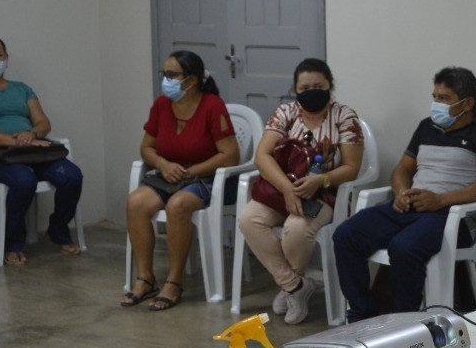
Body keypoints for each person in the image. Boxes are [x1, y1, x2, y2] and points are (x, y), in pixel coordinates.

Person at [333, 67, 476, 320]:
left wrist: (440, 200)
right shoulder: (426, 127)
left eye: (444, 98)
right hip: (410, 206)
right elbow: (402, 170)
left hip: (451, 217)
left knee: (404, 247)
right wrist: (401, 192)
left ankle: (406, 324)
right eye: (434, 96)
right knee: (346, 235)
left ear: (467, 103)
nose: (436, 103)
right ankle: (362, 315)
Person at [237, 58, 364, 324]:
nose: (311, 92)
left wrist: (320, 181)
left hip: (324, 194)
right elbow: (262, 156)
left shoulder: (344, 116)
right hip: (282, 191)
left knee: (295, 229)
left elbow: (351, 168)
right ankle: (294, 286)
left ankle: (290, 288)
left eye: (318, 86)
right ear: (295, 89)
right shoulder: (286, 113)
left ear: (330, 86)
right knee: (249, 219)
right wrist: (287, 189)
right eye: (305, 88)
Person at [121, 50, 240, 311]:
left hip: (206, 177)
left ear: (191, 80)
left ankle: (174, 281)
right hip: (168, 175)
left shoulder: (212, 106)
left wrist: (193, 170)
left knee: (178, 205)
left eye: (172, 75)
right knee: (136, 202)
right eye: (164, 74)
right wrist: (162, 165)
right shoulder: (161, 106)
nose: (166, 80)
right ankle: (145, 278)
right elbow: (146, 148)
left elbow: (230, 155)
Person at [0, 36, 84, 265]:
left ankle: (58, 228)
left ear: (7, 58)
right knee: (24, 181)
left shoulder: (22, 88)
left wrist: (32, 134)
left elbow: (43, 123)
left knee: (72, 176)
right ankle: (13, 243)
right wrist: (15, 141)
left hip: (33, 152)